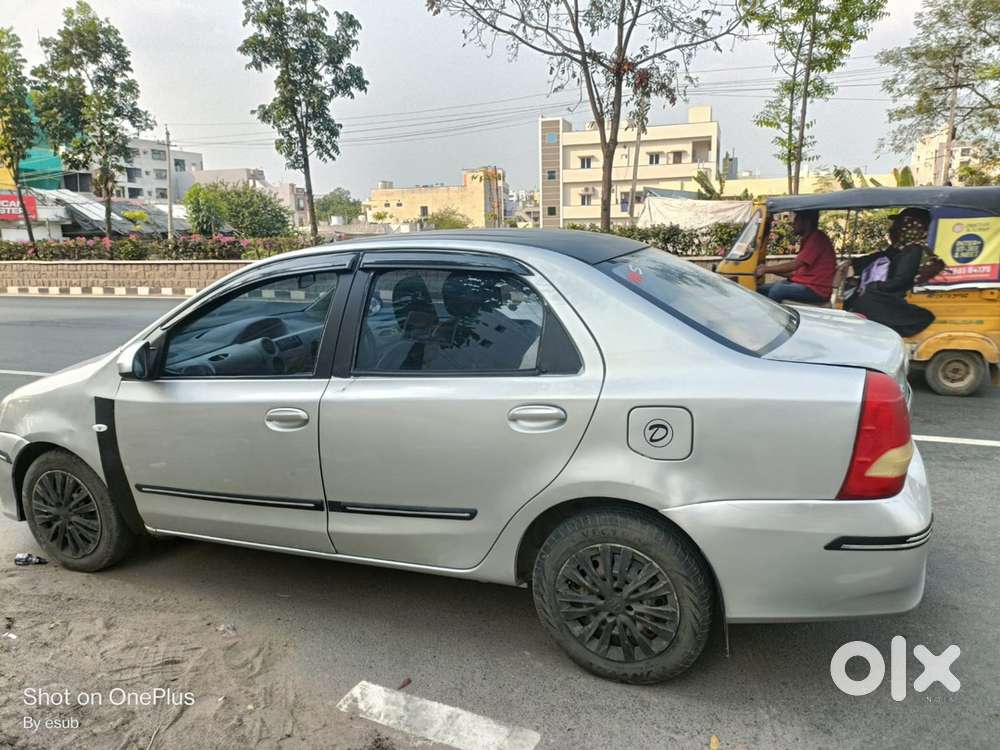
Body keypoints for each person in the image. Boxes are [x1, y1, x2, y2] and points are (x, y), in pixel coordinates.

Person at [843, 208, 935, 337]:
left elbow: (900, 280)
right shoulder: (901, 248)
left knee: (866, 301)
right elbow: (881, 256)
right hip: (888, 292)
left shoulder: (913, 251)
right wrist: (853, 263)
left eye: (898, 226)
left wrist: (874, 286)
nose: (892, 231)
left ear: (909, 228)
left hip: (895, 296)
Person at [756, 209, 836, 304]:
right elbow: (795, 273)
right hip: (805, 285)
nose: (792, 223)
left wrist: (766, 269)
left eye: (796, 220)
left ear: (806, 222)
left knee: (777, 290)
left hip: (816, 290)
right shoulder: (807, 239)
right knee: (759, 290)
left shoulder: (816, 239)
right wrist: (770, 270)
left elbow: (795, 265)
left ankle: (771, 318)